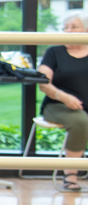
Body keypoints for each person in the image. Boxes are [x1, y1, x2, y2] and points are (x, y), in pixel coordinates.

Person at [37, 12, 88, 191]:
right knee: (81, 120)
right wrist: (63, 97)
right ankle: (70, 175)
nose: (68, 31)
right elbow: (43, 83)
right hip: (57, 106)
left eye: (74, 27)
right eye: (65, 28)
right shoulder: (55, 52)